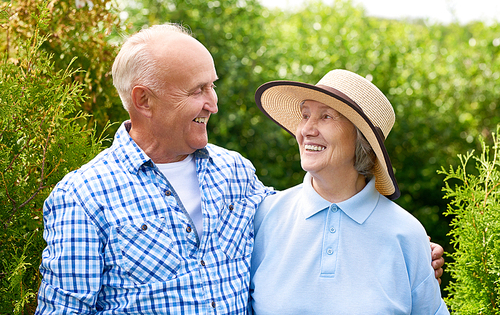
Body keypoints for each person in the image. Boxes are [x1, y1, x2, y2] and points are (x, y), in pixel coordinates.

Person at [35, 23, 444, 314]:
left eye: (212, 85)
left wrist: (408, 254)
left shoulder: (235, 174)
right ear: (144, 101)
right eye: (197, 90)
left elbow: (313, 213)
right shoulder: (83, 198)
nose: (213, 103)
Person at [250, 69, 449, 314]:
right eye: (305, 115)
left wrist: (418, 249)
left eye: (326, 116)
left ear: (361, 139)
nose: (306, 130)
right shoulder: (265, 216)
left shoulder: (407, 235)